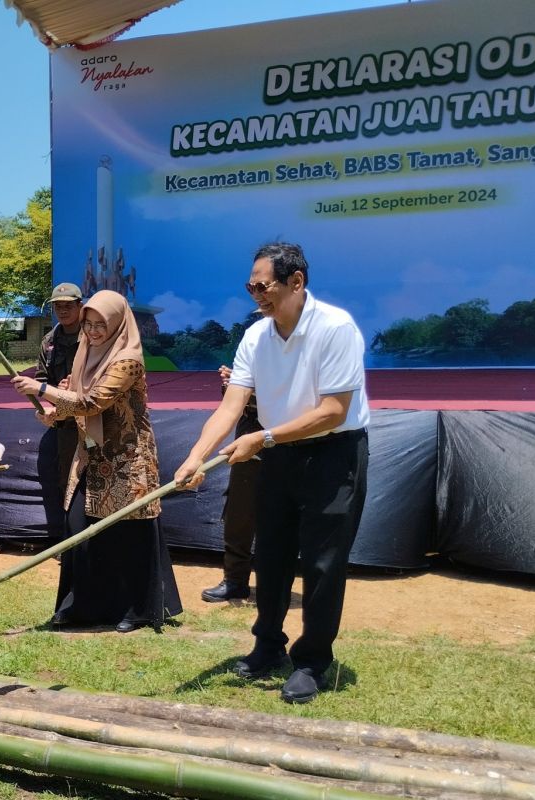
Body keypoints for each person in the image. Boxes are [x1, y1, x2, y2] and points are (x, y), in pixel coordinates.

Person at [174, 242, 369, 704]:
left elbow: (333, 413)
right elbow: (231, 405)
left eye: (263, 286)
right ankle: (267, 645)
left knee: (322, 564)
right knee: (273, 555)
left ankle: (313, 662)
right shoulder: (255, 336)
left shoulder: (336, 328)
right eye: (250, 286)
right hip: (279, 455)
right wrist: (196, 456)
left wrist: (262, 439)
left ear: (296, 281)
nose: (256, 295)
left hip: (333, 454)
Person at [13, 290, 181, 634]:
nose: (92, 331)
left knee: (127, 533)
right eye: (88, 324)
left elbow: (91, 402)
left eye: (100, 324)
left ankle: (139, 609)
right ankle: (83, 607)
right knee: (79, 529)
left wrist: (42, 389)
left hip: (126, 460)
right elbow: (73, 401)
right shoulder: (84, 355)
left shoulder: (128, 360)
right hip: (90, 454)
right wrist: (53, 414)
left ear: (118, 323)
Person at [200, 365, 260, 603]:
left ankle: (275, 581)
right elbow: (232, 404)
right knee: (239, 510)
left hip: (284, 435)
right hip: (249, 428)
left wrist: (252, 388)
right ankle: (235, 580)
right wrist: (232, 384)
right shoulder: (255, 340)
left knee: (279, 512)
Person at [34, 282, 83, 541]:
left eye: (68, 305)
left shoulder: (92, 335)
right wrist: (48, 406)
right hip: (64, 424)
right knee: (68, 482)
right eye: (57, 306)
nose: (62, 311)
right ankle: (72, 542)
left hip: (95, 418)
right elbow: (41, 380)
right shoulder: (49, 341)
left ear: (80, 306)